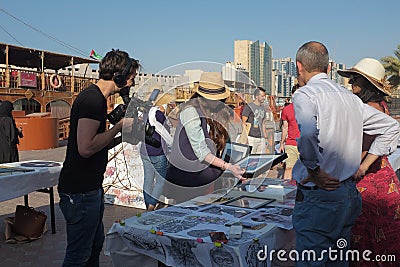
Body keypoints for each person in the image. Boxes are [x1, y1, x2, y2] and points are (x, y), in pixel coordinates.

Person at [292, 41, 400, 266]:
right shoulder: (349, 98)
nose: (351, 83)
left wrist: (314, 169)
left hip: (321, 195)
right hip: (347, 194)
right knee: (339, 258)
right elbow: (391, 128)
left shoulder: (306, 94)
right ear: (328, 68)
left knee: (312, 259)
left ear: (299, 66)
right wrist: (361, 166)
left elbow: (309, 132)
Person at [57, 49, 139, 267]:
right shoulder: (92, 100)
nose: (131, 83)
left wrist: (122, 137)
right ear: (118, 76)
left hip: (89, 189)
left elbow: (95, 144)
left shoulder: (96, 99)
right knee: (79, 255)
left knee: (93, 247)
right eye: (131, 78)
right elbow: (85, 148)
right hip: (80, 192)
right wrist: (120, 126)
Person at [338, 58, 400, 266]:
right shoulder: (380, 105)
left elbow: (362, 149)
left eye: (355, 79)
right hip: (382, 178)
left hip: (369, 183)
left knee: (365, 241)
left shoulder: (370, 109)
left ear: (368, 84)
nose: (351, 83)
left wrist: (355, 166)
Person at [166, 72, 244, 202]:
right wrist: (228, 166)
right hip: (188, 178)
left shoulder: (209, 111)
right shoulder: (190, 111)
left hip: (198, 176)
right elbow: (202, 152)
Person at [140, 94, 173, 211]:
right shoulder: (159, 115)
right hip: (157, 152)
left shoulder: (145, 113)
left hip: (144, 151)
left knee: (148, 180)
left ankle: (148, 205)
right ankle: (151, 205)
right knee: (160, 181)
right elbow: (166, 131)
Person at [279, 84, 300, 180]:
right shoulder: (286, 110)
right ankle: (286, 191)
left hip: (305, 144)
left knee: (305, 171)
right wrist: (282, 143)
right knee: (289, 168)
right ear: (292, 94)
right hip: (291, 143)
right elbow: (285, 127)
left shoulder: (310, 108)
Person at [241, 87, 268, 154]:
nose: (264, 98)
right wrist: (245, 138)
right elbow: (243, 123)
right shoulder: (249, 107)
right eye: (262, 96)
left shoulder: (263, 108)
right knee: (250, 158)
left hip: (261, 138)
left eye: (264, 96)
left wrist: (265, 137)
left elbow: (263, 123)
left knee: (260, 159)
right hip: (251, 137)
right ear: (256, 96)